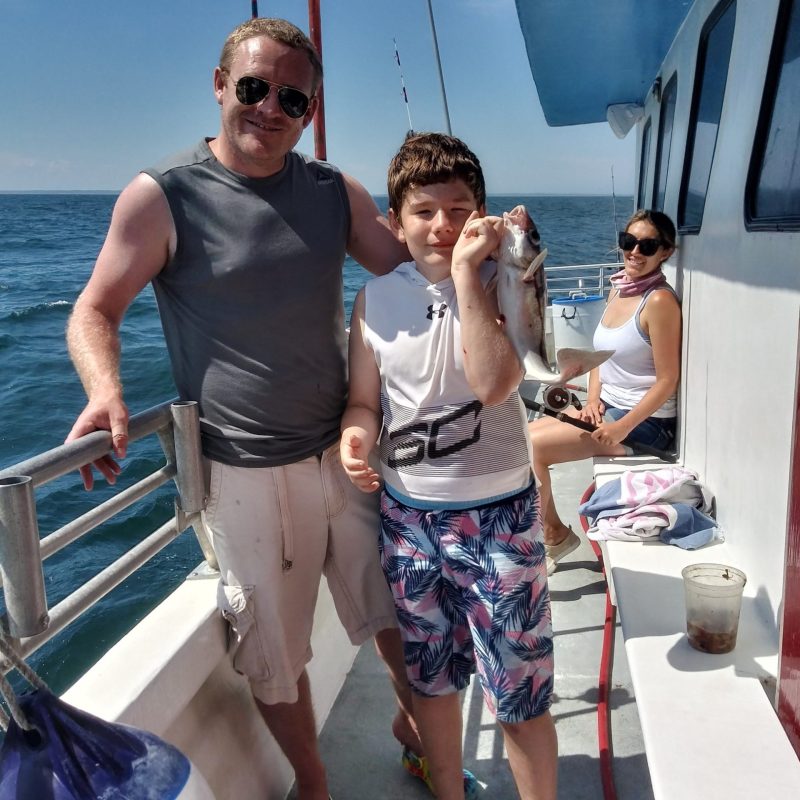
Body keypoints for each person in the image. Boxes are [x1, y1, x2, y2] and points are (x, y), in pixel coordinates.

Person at [65, 17, 423, 800]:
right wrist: (104, 390)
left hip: (349, 453)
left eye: (292, 98)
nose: (270, 108)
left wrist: (480, 243)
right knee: (274, 657)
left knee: (400, 615)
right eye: (255, 87)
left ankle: (415, 726)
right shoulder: (162, 197)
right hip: (242, 475)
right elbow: (95, 309)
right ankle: (315, 784)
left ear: (311, 111)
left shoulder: (333, 193)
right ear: (220, 84)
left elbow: (409, 270)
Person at [341, 132, 558, 800]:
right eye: (424, 211)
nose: (442, 224)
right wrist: (355, 436)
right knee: (430, 682)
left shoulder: (506, 278)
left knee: (519, 694)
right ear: (394, 223)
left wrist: (467, 274)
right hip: (410, 522)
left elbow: (494, 384)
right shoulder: (374, 301)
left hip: (501, 520)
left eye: (460, 209)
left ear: (482, 215)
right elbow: (365, 400)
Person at [529, 209, 681, 574]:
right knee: (522, 436)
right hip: (609, 406)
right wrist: (593, 399)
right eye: (628, 242)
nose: (634, 252)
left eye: (647, 246)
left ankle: (552, 535)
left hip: (646, 425)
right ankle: (552, 531)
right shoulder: (618, 288)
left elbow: (667, 380)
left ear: (666, 252)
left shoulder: (658, 302)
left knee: (532, 446)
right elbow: (601, 357)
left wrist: (622, 427)